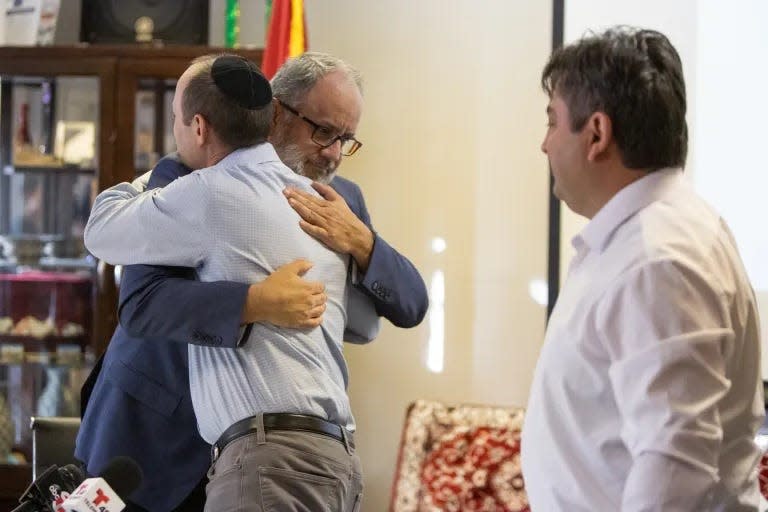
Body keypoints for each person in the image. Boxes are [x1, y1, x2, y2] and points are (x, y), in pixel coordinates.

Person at [76, 53, 428, 512]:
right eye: (323, 131)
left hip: (272, 453)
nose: (334, 153)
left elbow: (408, 305)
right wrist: (254, 302)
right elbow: (145, 304)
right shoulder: (192, 174)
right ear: (276, 111)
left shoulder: (340, 202)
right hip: (152, 440)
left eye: (347, 140)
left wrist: (362, 243)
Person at [521, 26, 764, 511]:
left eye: (552, 122)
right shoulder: (644, 240)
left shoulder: (658, 259)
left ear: (596, 133)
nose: (544, 145)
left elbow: (672, 464)